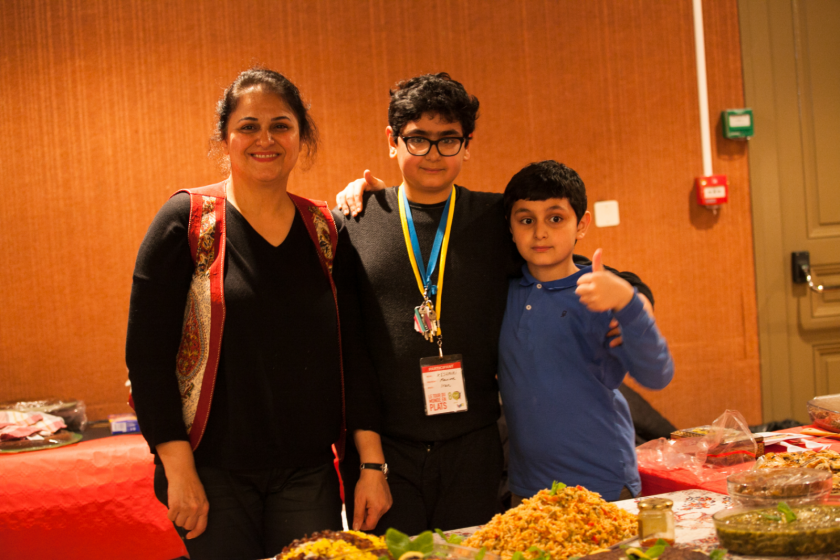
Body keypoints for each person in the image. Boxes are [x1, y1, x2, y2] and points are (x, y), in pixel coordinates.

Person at [334, 73, 654, 534]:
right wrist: (370, 466)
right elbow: (354, 355)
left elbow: (569, 264)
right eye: (418, 140)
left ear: (468, 145)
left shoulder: (493, 220)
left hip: (475, 447)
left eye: (448, 141)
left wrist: (636, 295)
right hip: (388, 453)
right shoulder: (358, 221)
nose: (433, 155)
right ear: (392, 140)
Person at [126, 68, 387, 560]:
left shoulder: (327, 231)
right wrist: (178, 471)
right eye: (248, 126)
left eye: (280, 125)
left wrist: (371, 465)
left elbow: (355, 354)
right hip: (211, 473)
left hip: (308, 473)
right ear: (225, 137)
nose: (264, 139)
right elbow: (146, 358)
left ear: (301, 136)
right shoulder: (186, 221)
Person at [500, 160, 674, 504]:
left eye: (555, 218)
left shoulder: (602, 293)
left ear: (582, 225)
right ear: (510, 227)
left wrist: (629, 302)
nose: (540, 232)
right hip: (526, 487)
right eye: (526, 220)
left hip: (602, 481)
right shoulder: (501, 293)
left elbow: (658, 375)